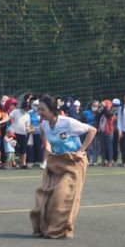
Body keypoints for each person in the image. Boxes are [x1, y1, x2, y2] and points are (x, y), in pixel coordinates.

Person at [30, 94, 97, 239]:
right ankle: (43, 228)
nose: (39, 112)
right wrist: (47, 154)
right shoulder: (44, 125)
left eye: (42, 109)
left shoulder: (67, 122)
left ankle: (60, 231)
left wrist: (81, 151)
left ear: (52, 110)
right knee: (43, 197)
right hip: (56, 161)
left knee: (62, 197)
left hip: (73, 161)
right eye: (38, 109)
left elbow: (92, 130)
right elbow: (46, 139)